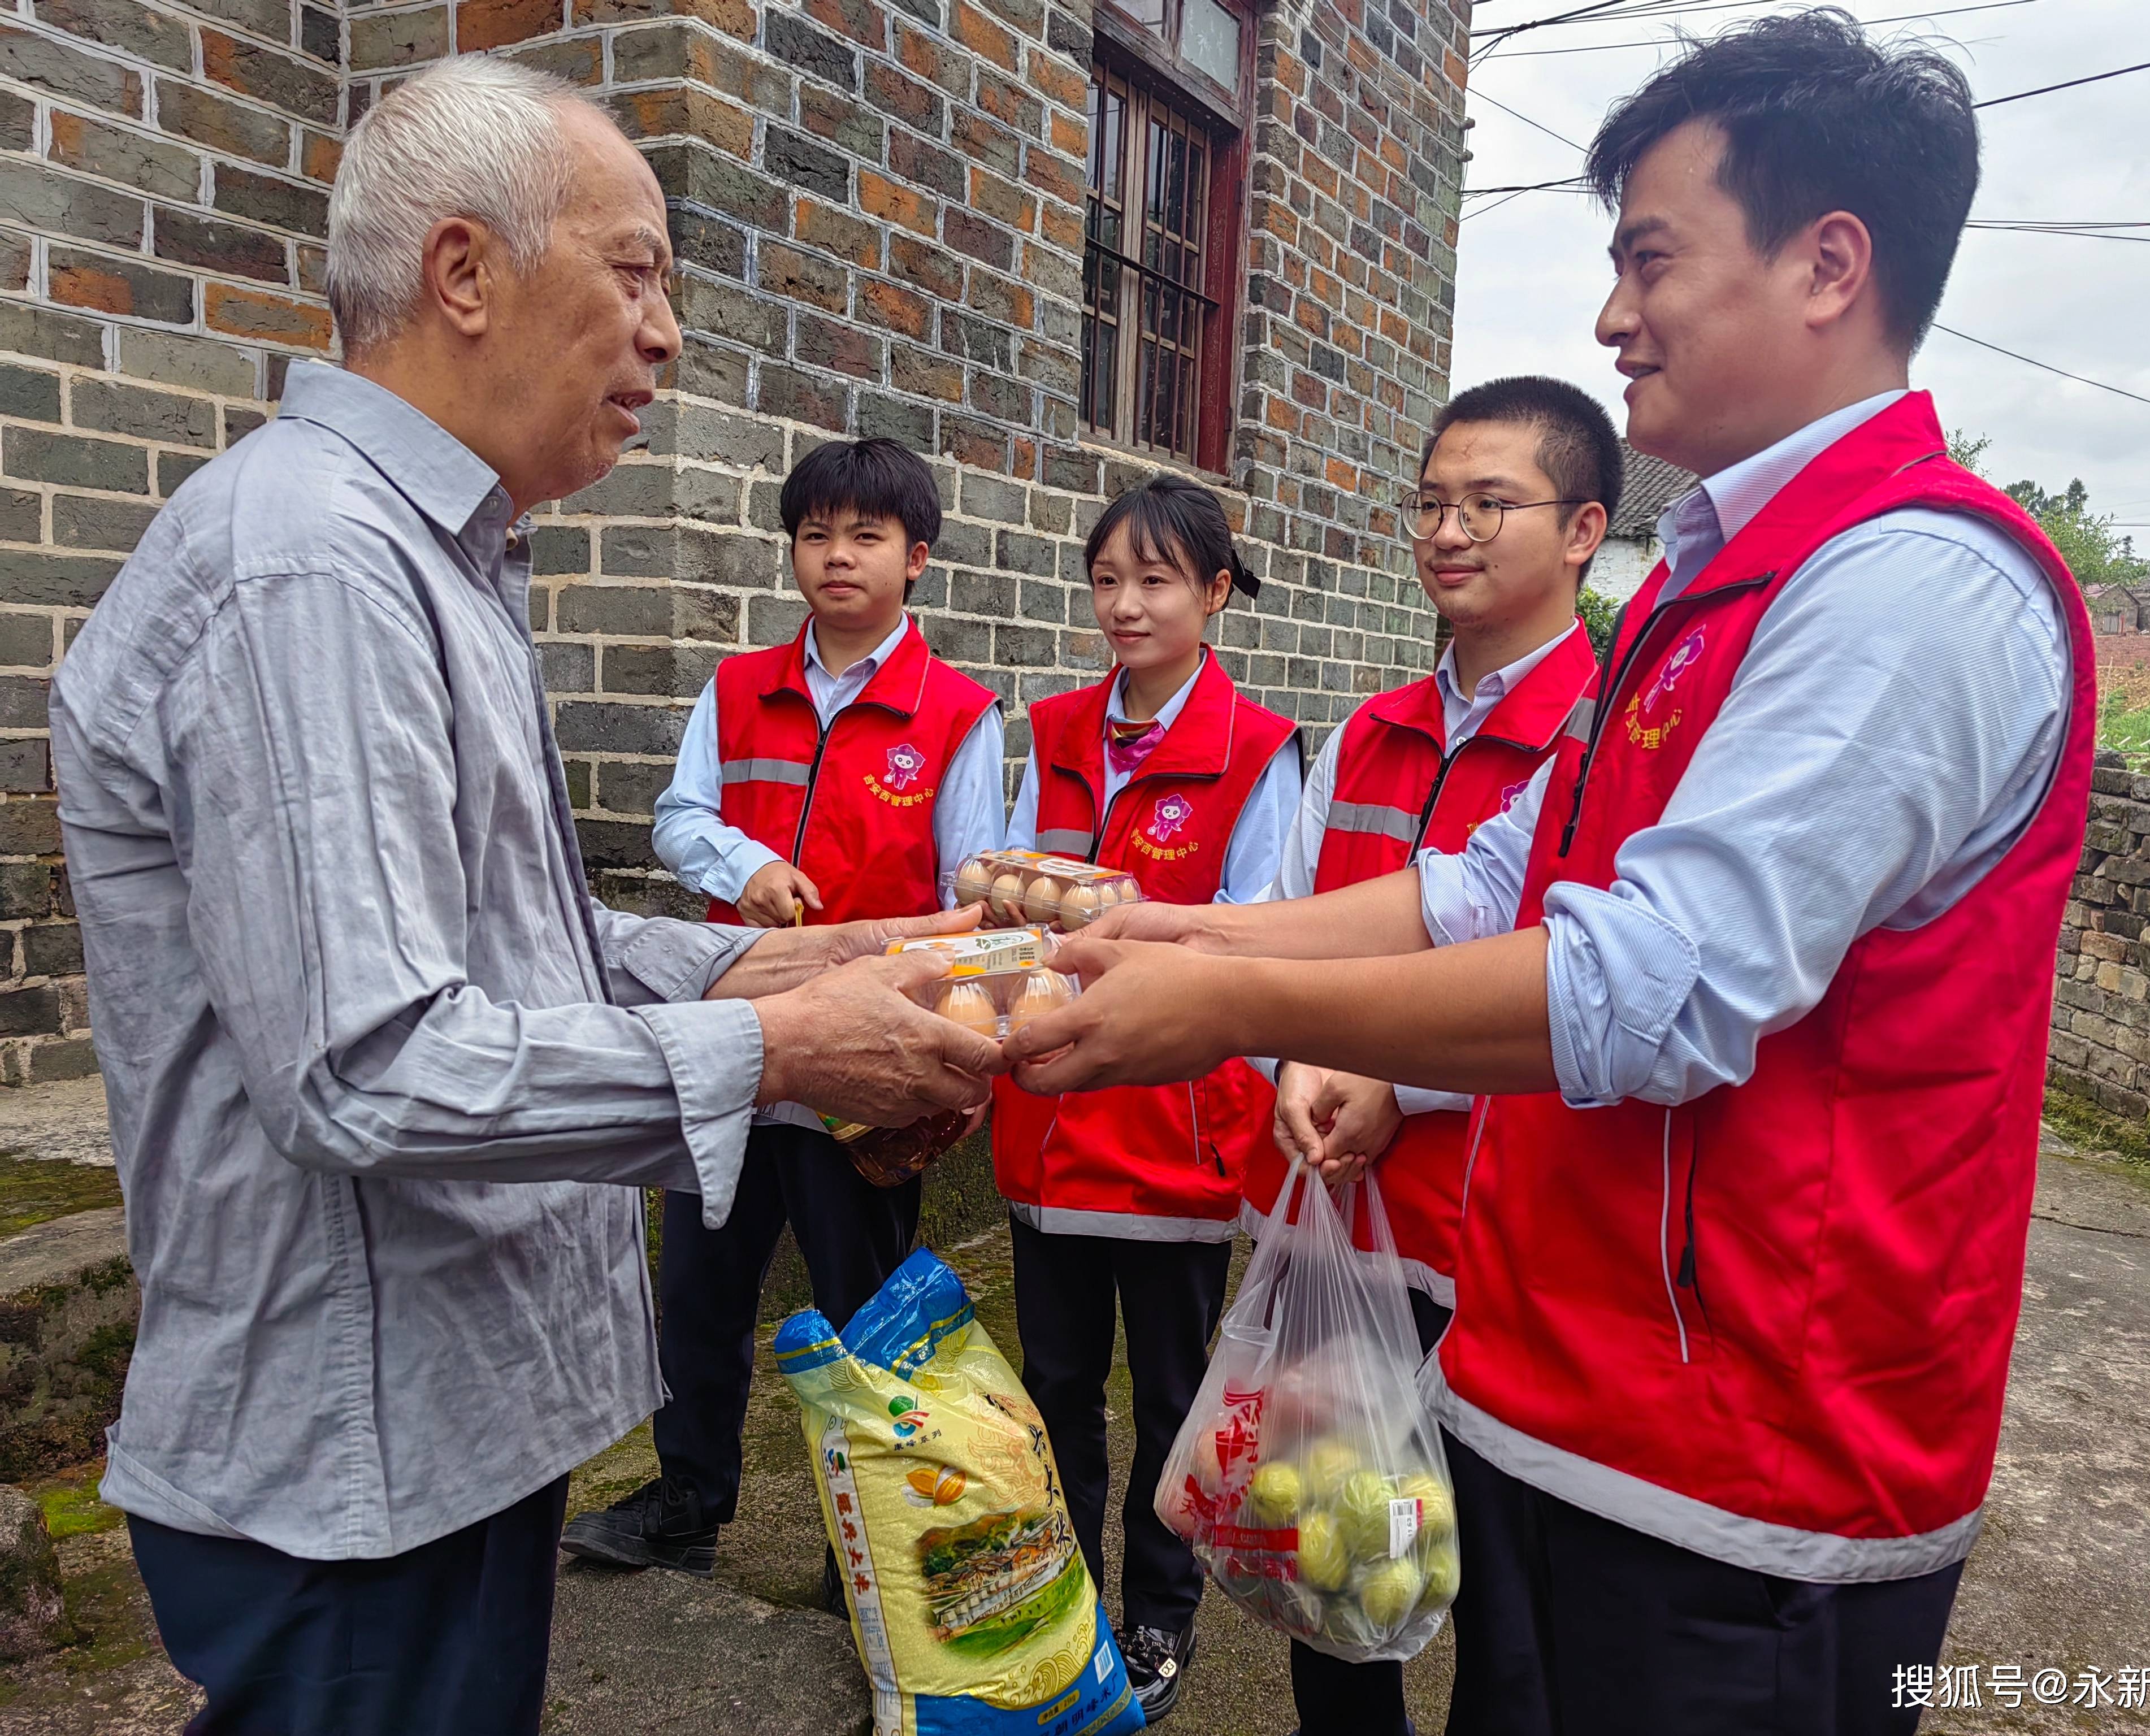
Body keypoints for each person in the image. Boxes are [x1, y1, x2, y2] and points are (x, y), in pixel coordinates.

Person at [1004, 15, 2094, 1734]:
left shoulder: (1910, 591)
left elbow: (1644, 985)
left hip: (1754, 1468)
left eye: (1650, 260)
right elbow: (1482, 881)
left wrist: (1223, 1003)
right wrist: (1173, 918)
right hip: (1572, 1395)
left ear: (1828, 265)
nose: (1612, 318)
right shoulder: (1699, 594)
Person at [49, 57, 1001, 1736]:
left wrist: (796, 965)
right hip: (356, 1454)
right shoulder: (314, 569)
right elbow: (370, 1060)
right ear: (466, 274)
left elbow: (509, 941)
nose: (668, 330)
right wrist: (782, 1058)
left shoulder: (435, 556)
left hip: (439, 1426)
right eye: (633, 270)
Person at [561, 436, 1003, 1581]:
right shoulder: (737, 685)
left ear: (918, 559)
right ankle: (686, 1504)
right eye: (814, 535)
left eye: (866, 536)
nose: (836, 557)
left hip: (864, 1060)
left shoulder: (956, 714)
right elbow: (676, 816)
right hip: (734, 1044)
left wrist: (956, 1057)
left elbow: (971, 896)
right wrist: (743, 862)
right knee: (700, 1296)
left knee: (866, 1312)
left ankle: (865, 1547)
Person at [1247, 375, 1614, 1736]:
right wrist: (1293, 1054)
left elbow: (1588, 990)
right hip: (1337, 1228)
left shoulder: (1604, 736)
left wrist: (1397, 1074)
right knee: (1333, 1577)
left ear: (1581, 529)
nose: (1447, 531)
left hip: (1505, 1250)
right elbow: (1280, 936)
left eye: (1488, 503)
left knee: (1505, 1618)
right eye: (1429, 503)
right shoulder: (1359, 736)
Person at [991, 474, 1302, 1722]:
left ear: (1214, 594)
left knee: (1170, 1398)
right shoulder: (1054, 727)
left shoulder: (1258, 752)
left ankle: (1160, 1614)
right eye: (1107, 581)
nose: (1125, 605)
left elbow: (1259, 935)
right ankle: (1067, 1605)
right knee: (1054, 1385)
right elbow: (1012, 887)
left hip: (1173, 1139)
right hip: (1047, 1123)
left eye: (1155, 581)